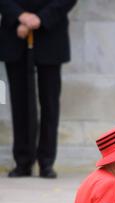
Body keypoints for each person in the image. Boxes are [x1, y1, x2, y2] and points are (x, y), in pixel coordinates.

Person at [0, 0, 77, 178]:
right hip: (15, 34)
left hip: (51, 34)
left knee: (49, 103)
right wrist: (21, 16)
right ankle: (23, 161)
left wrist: (41, 19)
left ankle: (46, 161)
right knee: (20, 103)